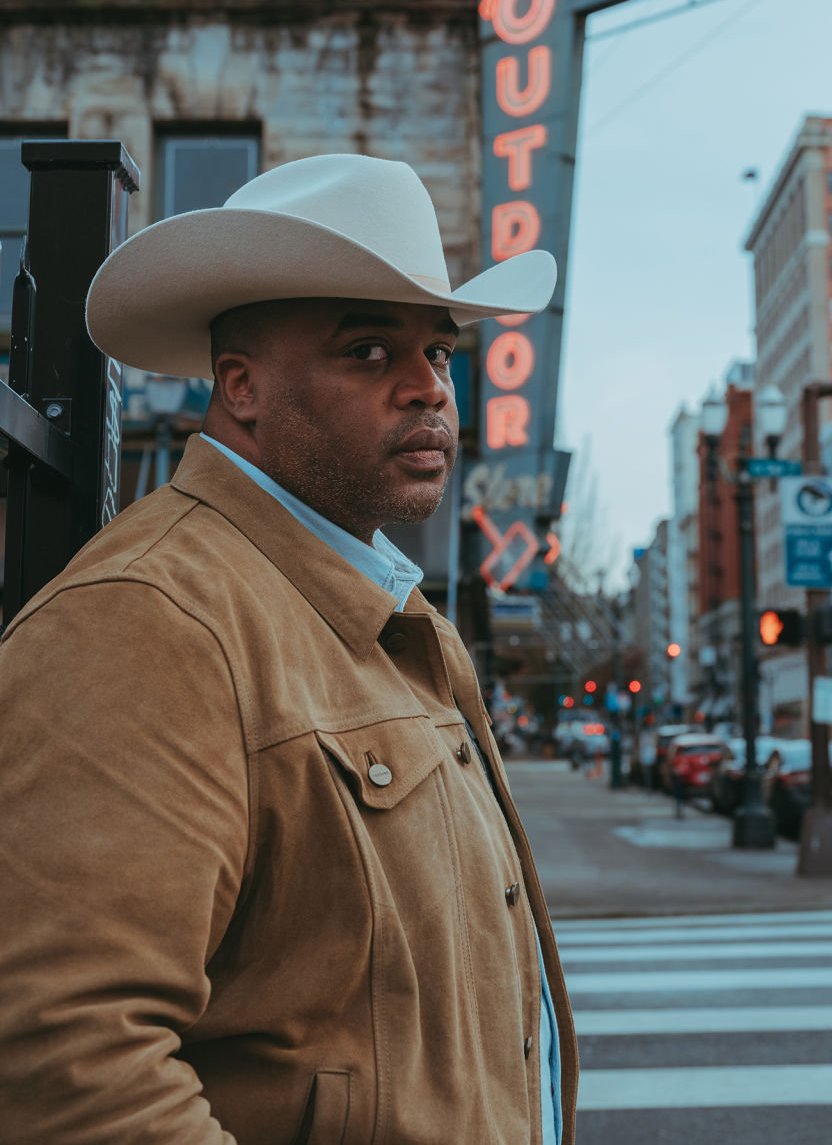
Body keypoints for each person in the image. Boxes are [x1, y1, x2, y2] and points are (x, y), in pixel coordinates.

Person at [0, 154, 576, 1144]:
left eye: (438, 352)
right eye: (367, 350)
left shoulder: (385, 609)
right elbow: (67, 1061)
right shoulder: (150, 619)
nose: (427, 388)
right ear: (242, 386)